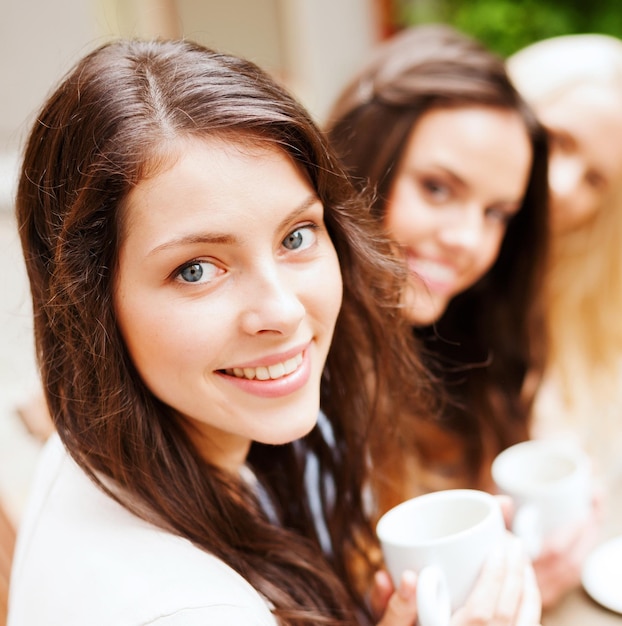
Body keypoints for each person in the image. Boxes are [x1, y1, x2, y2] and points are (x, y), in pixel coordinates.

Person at [6, 39, 540, 626]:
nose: (282, 311)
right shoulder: (191, 606)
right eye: (196, 270)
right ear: (87, 305)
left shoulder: (117, 451)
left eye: (296, 237)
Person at [326, 24, 549, 498]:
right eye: (437, 188)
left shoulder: (467, 365)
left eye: (497, 213)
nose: (467, 240)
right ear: (358, 158)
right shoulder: (279, 374)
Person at [507, 33, 622, 609]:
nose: (561, 186)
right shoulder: (431, 271)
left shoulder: (578, 300)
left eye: (597, 179)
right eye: (556, 141)